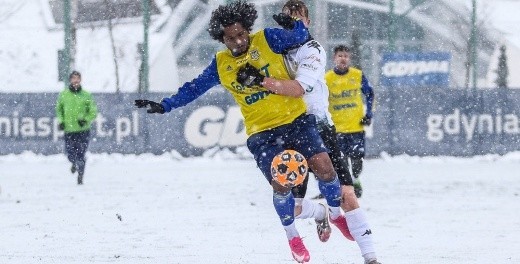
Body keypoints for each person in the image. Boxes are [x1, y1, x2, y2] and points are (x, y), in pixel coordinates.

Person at [134, 1, 346, 263]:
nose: (237, 41)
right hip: (262, 134)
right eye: (230, 38)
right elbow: (194, 87)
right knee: (282, 187)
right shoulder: (221, 65)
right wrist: (165, 105)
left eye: (241, 34)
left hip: (296, 120)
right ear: (222, 40)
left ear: (248, 29)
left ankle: (335, 214)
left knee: (325, 168)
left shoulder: (267, 39)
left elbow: (302, 38)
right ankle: (293, 237)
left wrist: (295, 26)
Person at [242, 1, 380, 263]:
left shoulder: (312, 48)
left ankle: (371, 256)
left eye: (299, 19)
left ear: (307, 23)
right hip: (286, 129)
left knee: (346, 193)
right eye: (288, 19)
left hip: (318, 127)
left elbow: (301, 86)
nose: (293, 23)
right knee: (290, 206)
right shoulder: (271, 52)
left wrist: (263, 80)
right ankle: (319, 213)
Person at [326, 45, 375, 199]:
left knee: (357, 158)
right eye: (340, 55)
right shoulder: (327, 79)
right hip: (337, 127)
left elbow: (370, 94)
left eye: (346, 56)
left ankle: (355, 179)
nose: (343, 59)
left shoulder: (357, 75)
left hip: (355, 126)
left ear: (349, 59)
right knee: (340, 159)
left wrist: (368, 114)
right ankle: (348, 185)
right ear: (334, 58)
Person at [55, 71, 98, 185]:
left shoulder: (86, 95)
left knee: (81, 154)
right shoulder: (64, 95)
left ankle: (80, 175)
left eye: (77, 79)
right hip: (69, 129)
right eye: (73, 79)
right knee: (70, 153)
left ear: (80, 80)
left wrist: (86, 119)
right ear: (70, 80)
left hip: (83, 130)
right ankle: (74, 163)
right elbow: (59, 109)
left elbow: (93, 111)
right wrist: (61, 121)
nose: (75, 81)